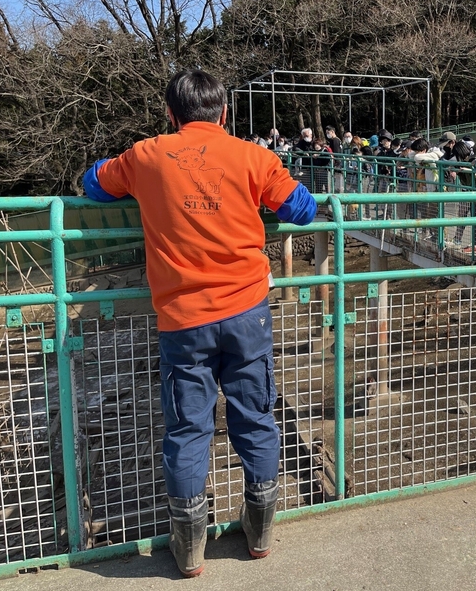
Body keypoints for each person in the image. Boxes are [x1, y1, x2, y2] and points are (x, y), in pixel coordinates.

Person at [81, 69, 317, 575]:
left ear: (171, 114)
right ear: (224, 113)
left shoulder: (146, 156)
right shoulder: (253, 156)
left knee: (188, 429)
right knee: (255, 417)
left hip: (182, 320)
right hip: (247, 312)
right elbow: (303, 209)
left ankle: (188, 552)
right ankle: (259, 535)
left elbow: (93, 184)